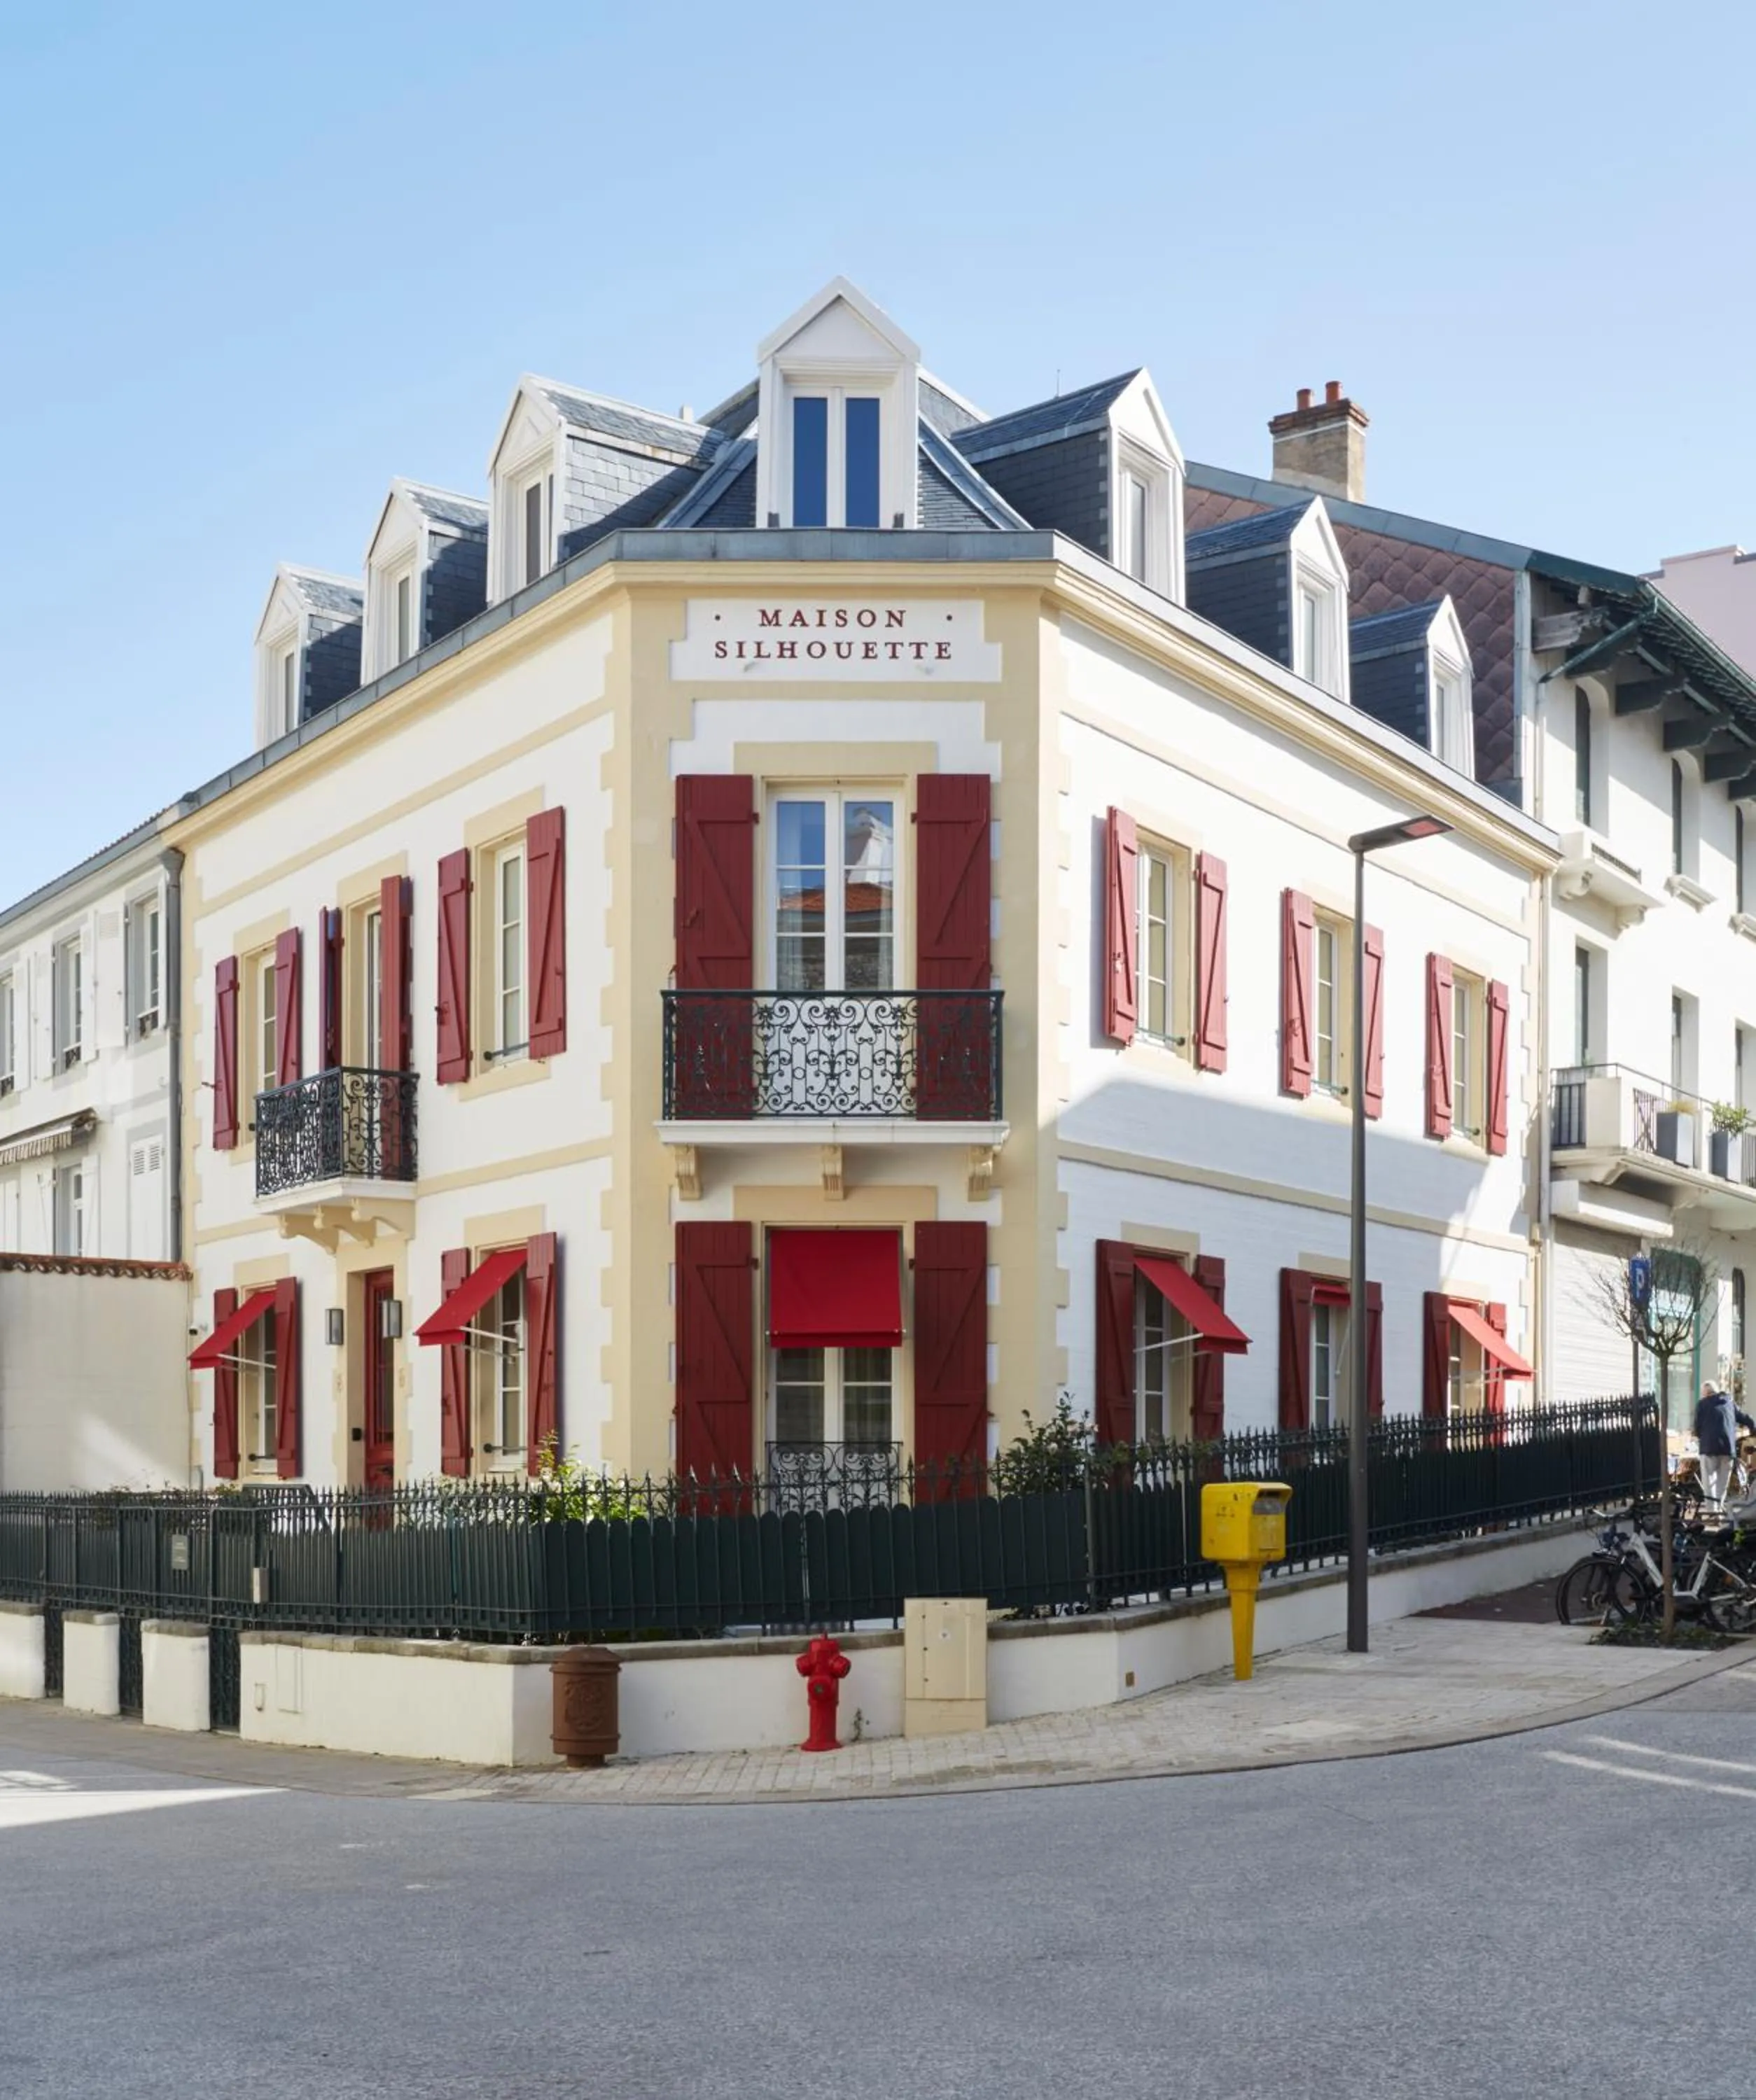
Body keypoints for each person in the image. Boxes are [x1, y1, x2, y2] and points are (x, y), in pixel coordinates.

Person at [1693, 1381, 1755, 1506]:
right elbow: (1745, 1418)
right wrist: (1753, 1428)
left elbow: (1697, 1428)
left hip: (1708, 1448)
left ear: (1705, 1394)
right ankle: (1719, 1509)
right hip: (1728, 1448)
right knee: (1722, 1484)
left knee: (1709, 1482)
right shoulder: (1729, 1402)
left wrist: (1702, 1437)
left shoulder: (1702, 1404)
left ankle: (1713, 1511)